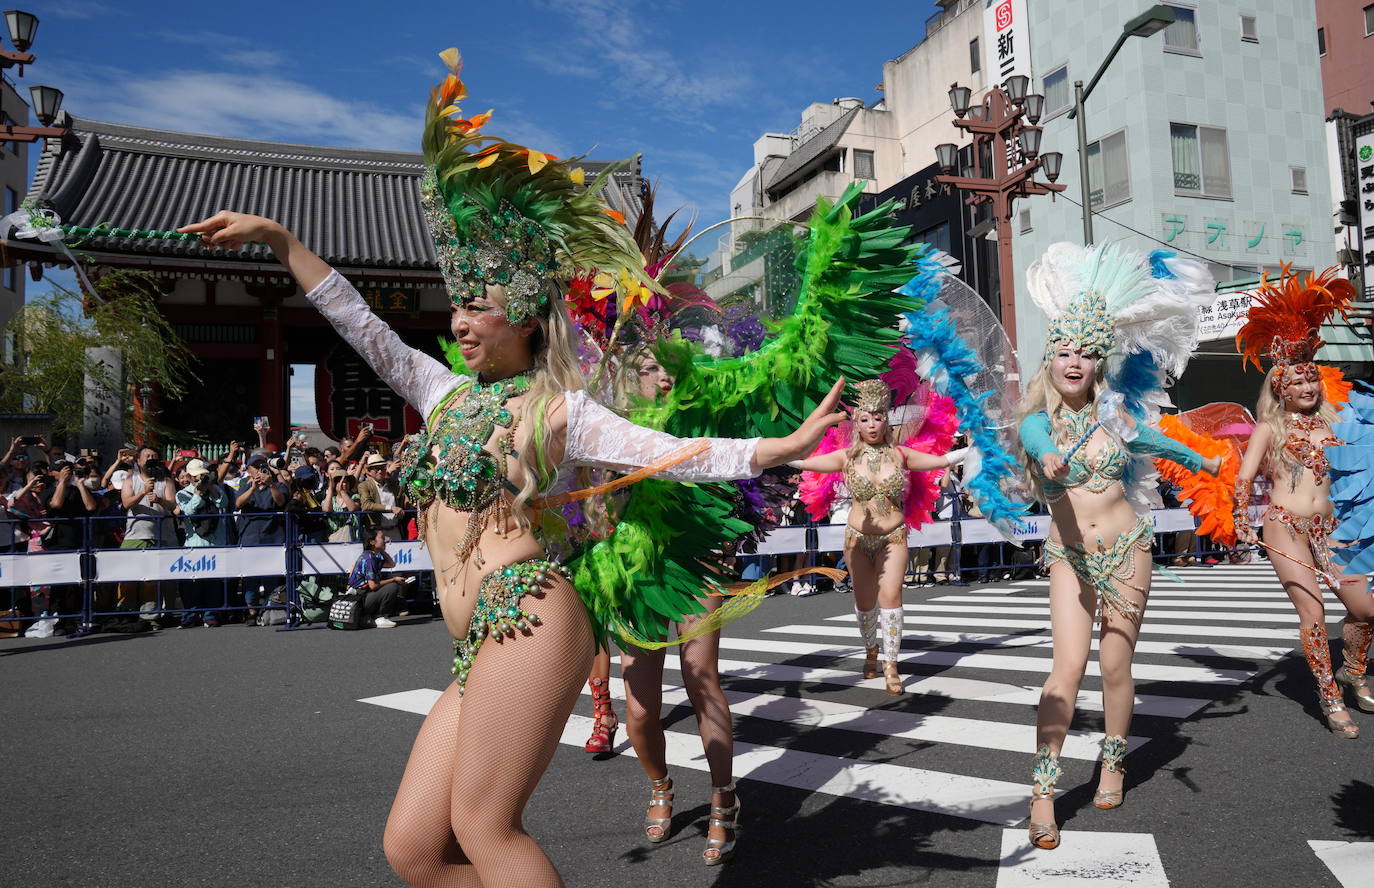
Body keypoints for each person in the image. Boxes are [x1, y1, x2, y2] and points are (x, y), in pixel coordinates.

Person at [1015, 242, 1220, 850]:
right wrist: (1048, 456)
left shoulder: (1117, 420)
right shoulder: (1039, 423)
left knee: (1114, 666)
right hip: (1071, 557)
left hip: (1128, 548)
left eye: (1084, 352)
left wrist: (1206, 458)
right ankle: (1044, 791)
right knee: (1067, 670)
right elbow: (1031, 433)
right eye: (1063, 351)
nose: (1073, 361)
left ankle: (1113, 759)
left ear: (1098, 362)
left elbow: (1164, 443)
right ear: (1049, 360)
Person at [1233, 266, 1374, 738]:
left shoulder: (1337, 424)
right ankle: (1330, 699)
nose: (1309, 387)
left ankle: (1353, 670)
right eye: (1297, 382)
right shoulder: (1269, 428)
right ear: (1280, 387)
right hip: (1284, 525)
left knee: (1365, 609)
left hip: (1331, 529)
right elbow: (1245, 477)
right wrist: (1241, 519)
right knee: (1312, 612)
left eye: (1312, 379)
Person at [794, 379, 964, 693]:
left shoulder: (901, 455)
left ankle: (891, 664)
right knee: (864, 602)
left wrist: (979, 448)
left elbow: (943, 461)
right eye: (865, 418)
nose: (872, 424)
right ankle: (871, 648)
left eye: (878, 417)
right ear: (856, 422)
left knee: (891, 597)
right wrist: (763, 452)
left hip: (894, 538)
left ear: (886, 418)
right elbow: (800, 460)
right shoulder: (846, 458)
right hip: (857, 539)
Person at [117, 446, 177, 615]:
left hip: (157, 536)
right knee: (127, 577)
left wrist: (159, 500)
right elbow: (127, 504)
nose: (151, 458)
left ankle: (149, 615)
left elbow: (172, 505)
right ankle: (126, 613)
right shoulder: (130, 480)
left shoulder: (166, 481)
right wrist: (143, 492)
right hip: (134, 535)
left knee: (151, 580)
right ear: (138, 460)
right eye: (147, 455)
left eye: (154, 455)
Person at [175, 459, 232, 627]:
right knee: (192, 583)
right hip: (195, 544)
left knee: (213, 582)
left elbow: (223, 503)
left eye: (203, 475)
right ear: (190, 478)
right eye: (197, 476)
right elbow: (189, 511)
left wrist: (210, 487)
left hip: (216, 543)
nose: (200, 478)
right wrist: (198, 493)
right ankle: (190, 616)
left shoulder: (215, 489)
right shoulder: (183, 493)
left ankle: (210, 615)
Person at [235, 456, 288, 623]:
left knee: (271, 575)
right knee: (250, 577)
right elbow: (238, 504)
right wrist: (252, 487)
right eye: (254, 467)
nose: (258, 470)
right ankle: (251, 611)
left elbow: (281, 501)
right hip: (250, 537)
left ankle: (270, 609)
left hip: (272, 536)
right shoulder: (245, 486)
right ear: (249, 470)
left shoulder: (278, 485)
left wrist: (270, 484)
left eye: (261, 466)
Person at [347, 528, 408, 628]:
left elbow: (391, 564)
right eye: (382, 538)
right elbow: (373, 586)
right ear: (372, 542)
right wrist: (393, 579)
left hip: (361, 598)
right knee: (392, 587)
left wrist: (382, 550)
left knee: (392, 590)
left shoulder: (370, 556)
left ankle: (368, 617)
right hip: (359, 599)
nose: (385, 541)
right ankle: (380, 617)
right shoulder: (370, 559)